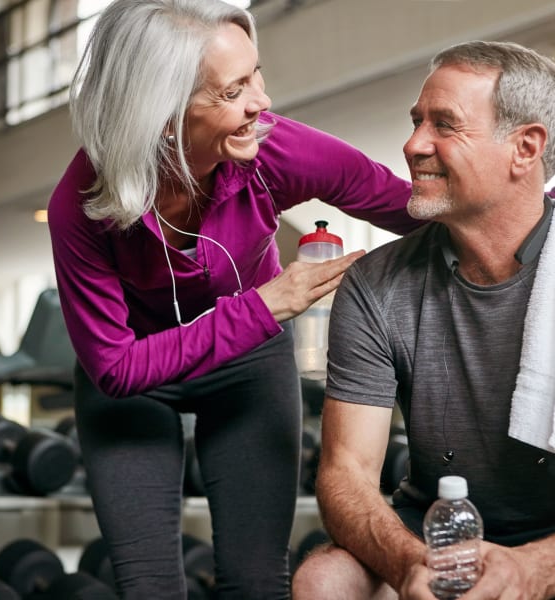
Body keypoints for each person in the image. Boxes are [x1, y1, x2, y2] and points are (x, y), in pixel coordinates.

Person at [47, 0, 419, 598]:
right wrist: (270, 304)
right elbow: (115, 369)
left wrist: (529, 214)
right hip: (137, 373)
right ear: (165, 115)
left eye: (256, 75)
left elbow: (404, 206)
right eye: (232, 90)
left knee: (254, 581)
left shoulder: (274, 150)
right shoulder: (81, 203)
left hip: (246, 368)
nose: (261, 102)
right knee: (147, 587)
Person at [291, 40, 555, 600]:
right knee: (324, 577)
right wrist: (415, 565)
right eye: (416, 122)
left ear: (525, 148)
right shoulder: (377, 283)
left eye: (445, 125)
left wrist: (531, 570)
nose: (413, 145)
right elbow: (345, 474)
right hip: (436, 534)